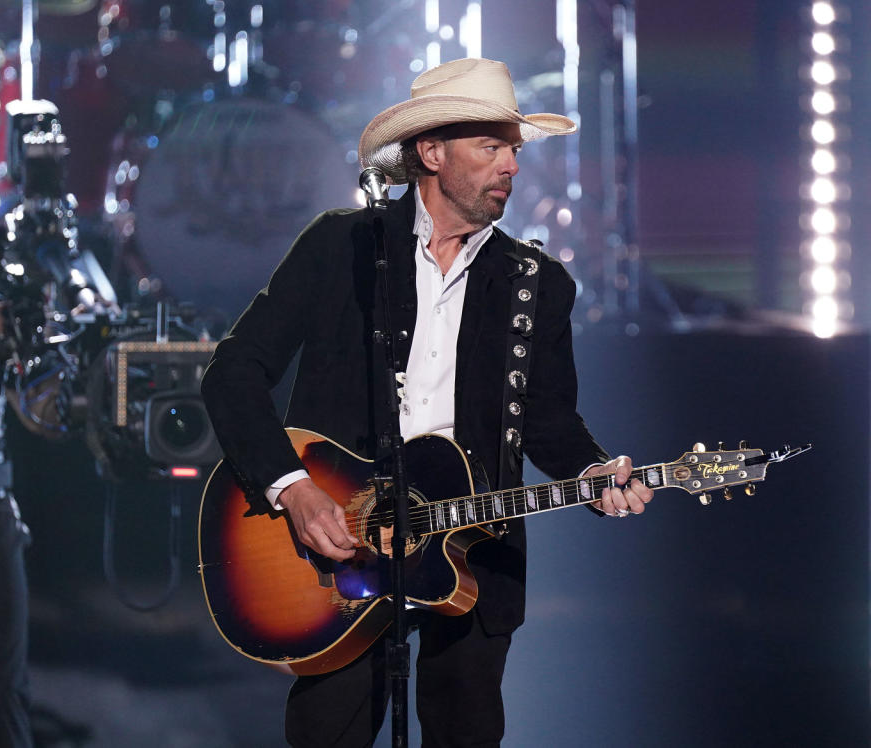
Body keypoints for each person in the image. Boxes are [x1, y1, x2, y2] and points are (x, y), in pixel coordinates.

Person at [201, 57, 654, 747]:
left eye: (513, 149)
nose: (511, 165)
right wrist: (293, 488)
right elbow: (233, 371)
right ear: (431, 152)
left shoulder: (538, 285)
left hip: (470, 555)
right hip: (343, 548)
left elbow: (550, 423)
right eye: (490, 146)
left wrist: (592, 472)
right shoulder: (342, 247)